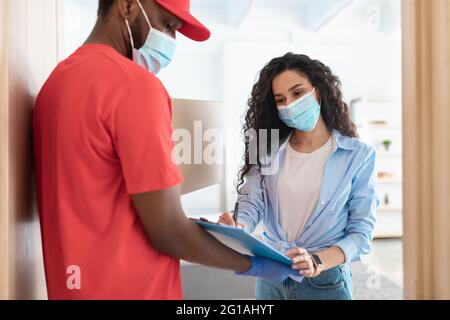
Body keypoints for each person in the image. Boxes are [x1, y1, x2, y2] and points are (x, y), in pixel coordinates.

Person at [33, 0, 299, 300]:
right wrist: (252, 264)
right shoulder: (136, 89)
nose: (171, 41)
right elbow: (168, 231)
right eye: (168, 25)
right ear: (128, 6)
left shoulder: (56, 83)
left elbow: (96, 197)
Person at [219, 53, 379, 300]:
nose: (289, 105)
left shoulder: (358, 155)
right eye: (280, 99)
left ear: (319, 91)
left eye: (297, 93)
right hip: (271, 275)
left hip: (324, 282)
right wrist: (238, 226)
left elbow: (360, 233)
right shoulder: (267, 149)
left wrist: (316, 261)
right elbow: (252, 203)